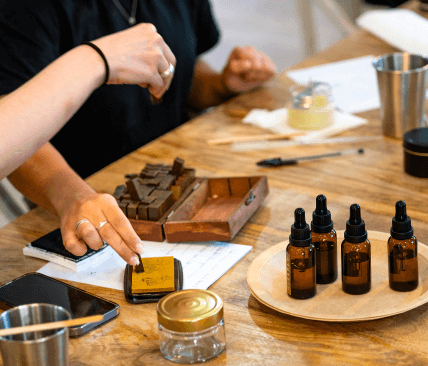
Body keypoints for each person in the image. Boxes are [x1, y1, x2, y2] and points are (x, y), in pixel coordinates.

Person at [0, 0, 276, 262]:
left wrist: (220, 85)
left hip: (180, 177)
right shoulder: (27, 8)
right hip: (76, 198)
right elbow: (14, 130)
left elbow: (181, 75)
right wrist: (73, 197)